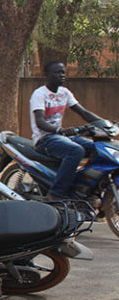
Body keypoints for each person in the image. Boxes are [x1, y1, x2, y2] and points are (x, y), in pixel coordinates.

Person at [30, 61, 103, 200]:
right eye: (57, 72)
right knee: (76, 151)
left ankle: (83, 187)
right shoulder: (39, 94)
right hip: (45, 138)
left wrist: (105, 123)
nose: (61, 75)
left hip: (62, 136)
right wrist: (60, 130)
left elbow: (84, 112)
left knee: (97, 149)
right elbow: (40, 122)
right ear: (47, 75)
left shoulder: (65, 93)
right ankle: (56, 193)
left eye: (63, 72)